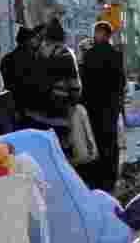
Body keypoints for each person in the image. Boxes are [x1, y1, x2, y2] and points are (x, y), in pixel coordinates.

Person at [16, 18, 83, 159]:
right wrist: (72, 104)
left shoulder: (35, 53)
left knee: (40, 158)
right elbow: (75, 86)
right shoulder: (65, 54)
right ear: (62, 36)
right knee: (60, 158)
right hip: (58, 116)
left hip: (35, 115)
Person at [77, 21, 126, 192]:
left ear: (100, 34)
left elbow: (82, 81)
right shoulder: (116, 55)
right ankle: (110, 179)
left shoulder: (89, 55)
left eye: (96, 32)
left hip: (93, 107)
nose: (95, 36)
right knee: (110, 143)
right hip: (110, 107)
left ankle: (98, 180)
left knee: (95, 142)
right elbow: (121, 83)